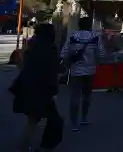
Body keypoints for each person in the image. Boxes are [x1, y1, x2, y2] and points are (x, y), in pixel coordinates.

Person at [10, 23, 62, 151]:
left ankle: (26, 146)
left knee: (34, 121)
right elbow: (53, 71)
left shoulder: (30, 45)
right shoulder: (50, 49)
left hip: (27, 87)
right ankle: (26, 147)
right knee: (45, 120)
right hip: (42, 90)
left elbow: (21, 64)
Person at [61, 16, 105, 131]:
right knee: (87, 96)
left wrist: (69, 62)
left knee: (75, 96)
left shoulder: (73, 36)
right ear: (89, 26)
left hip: (75, 71)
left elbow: (64, 52)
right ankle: (84, 118)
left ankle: (73, 122)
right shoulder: (95, 37)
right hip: (90, 71)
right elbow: (101, 54)